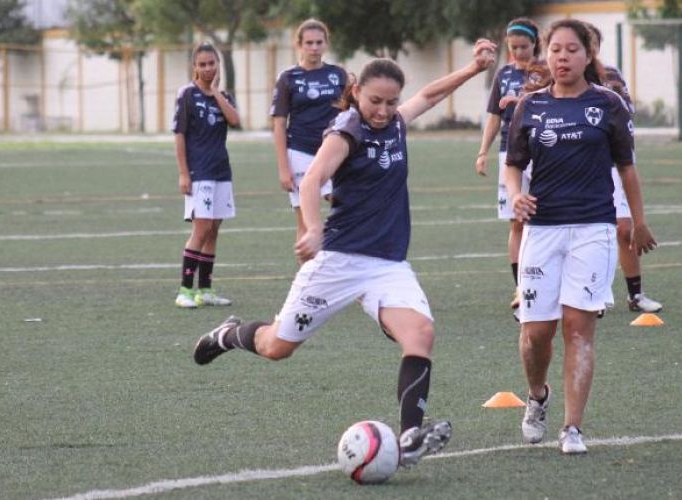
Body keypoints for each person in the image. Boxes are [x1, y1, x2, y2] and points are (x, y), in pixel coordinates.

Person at [193, 40, 497, 467]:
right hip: (339, 261)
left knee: (421, 335)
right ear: (357, 93)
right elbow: (312, 178)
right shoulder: (346, 130)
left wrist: (472, 68)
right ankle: (228, 334)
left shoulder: (395, 124)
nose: (384, 110)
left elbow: (427, 95)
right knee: (277, 347)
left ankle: (410, 436)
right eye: (375, 101)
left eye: (391, 102)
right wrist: (314, 227)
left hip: (388, 264)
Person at [505, 19, 657, 454]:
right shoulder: (529, 108)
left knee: (577, 329)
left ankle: (572, 428)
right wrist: (516, 196)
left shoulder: (607, 104)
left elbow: (627, 167)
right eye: (556, 50)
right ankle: (537, 397)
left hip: (593, 229)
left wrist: (639, 221)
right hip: (543, 230)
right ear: (545, 55)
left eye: (572, 50)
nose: (563, 57)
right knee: (537, 334)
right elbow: (513, 164)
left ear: (588, 56)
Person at [587, 24, 663, 314]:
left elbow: (625, 114)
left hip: (614, 164)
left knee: (624, 229)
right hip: (585, 167)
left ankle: (636, 294)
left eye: (591, 42)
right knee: (591, 231)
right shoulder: (566, 79)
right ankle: (594, 295)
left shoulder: (612, 76)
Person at [474, 18, 544, 312]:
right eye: (513, 47)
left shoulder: (546, 71)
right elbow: (493, 116)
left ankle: (546, 280)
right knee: (517, 222)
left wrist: (523, 98)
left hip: (542, 152)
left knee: (542, 220)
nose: (518, 53)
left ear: (535, 45)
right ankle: (521, 286)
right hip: (510, 154)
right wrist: (482, 152)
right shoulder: (503, 74)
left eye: (524, 47)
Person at [173, 42, 240, 308]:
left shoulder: (223, 96)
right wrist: (183, 173)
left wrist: (215, 93)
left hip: (221, 171)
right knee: (200, 229)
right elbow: (179, 135)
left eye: (212, 63)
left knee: (213, 230)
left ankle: (206, 290)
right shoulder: (187, 95)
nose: (208, 68)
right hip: (198, 172)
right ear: (195, 67)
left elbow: (235, 120)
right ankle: (185, 291)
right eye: (202, 64)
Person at [270, 19, 347, 252]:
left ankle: (342, 266)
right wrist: (284, 168)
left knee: (344, 207)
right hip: (300, 153)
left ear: (326, 44)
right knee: (305, 221)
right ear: (299, 45)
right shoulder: (288, 78)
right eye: (309, 43)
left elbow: (349, 113)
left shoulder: (338, 75)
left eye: (319, 42)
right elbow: (279, 124)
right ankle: (306, 282)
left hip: (332, 153)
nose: (314, 47)